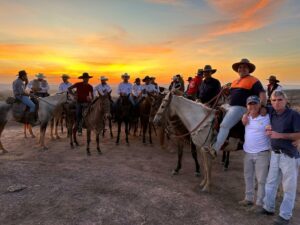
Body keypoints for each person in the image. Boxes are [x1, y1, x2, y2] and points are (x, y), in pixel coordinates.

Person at [205, 58, 267, 158]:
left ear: (249, 69)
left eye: (244, 67)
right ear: (237, 70)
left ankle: (215, 149)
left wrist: (263, 106)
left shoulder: (254, 80)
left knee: (224, 125)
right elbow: (231, 94)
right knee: (215, 113)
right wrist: (226, 90)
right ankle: (215, 140)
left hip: (241, 107)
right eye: (240, 67)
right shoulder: (235, 81)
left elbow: (262, 94)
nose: (242, 69)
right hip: (230, 105)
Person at [260, 91, 300, 225]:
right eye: (274, 100)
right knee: (271, 183)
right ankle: (268, 207)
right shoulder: (272, 112)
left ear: (285, 101)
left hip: (288, 156)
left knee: (288, 187)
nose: (276, 102)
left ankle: (285, 216)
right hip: (275, 154)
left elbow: (298, 135)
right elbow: (258, 107)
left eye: (280, 100)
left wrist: (279, 135)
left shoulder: (293, 115)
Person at [238, 95, 271, 212]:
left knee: (261, 179)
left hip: (262, 153)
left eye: (255, 103)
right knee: (248, 177)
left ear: (260, 105)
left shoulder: (267, 116)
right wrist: (245, 115)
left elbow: (276, 110)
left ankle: (260, 203)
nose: (253, 106)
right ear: (247, 106)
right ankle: (249, 198)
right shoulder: (246, 117)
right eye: (250, 104)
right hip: (247, 152)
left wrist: (266, 108)